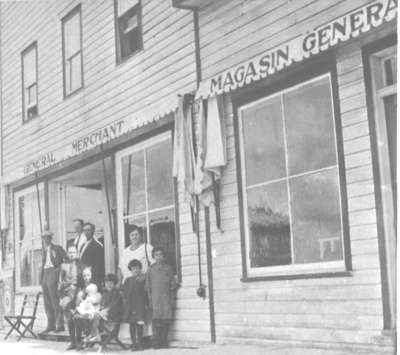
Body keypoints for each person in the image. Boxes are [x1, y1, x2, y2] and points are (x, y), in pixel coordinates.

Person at [145, 247, 177, 349]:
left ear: (164, 256)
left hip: (166, 297)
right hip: (155, 298)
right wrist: (150, 298)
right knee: (156, 320)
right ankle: (157, 342)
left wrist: (172, 298)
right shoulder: (151, 269)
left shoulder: (168, 268)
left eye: (160, 255)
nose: (159, 257)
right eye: (156, 255)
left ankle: (164, 341)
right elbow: (148, 286)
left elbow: (173, 284)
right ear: (153, 257)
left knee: (165, 319)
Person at [40, 230, 67, 334]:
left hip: (54, 272)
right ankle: (50, 325)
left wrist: (59, 272)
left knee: (55, 301)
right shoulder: (43, 250)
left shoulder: (57, 248)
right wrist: (41, 279)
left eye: (47, 237)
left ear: (51, 238)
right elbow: (42, 265)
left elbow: (66, 259)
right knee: (47, 302)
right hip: (45, 274)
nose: (45, 240)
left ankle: (59, 325)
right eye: (43, 238)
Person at [85, 273, 122, 342]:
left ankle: (94, 335)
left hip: (113, 315)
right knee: (88, 316)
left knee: (95, 316)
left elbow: (113, 305)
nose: (109, 285)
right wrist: (97, 309)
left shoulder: (116, 293)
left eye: (111, 283)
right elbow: (102, 304)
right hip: (105, 314)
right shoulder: (105, 293)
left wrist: (103, 311)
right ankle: (93, 334)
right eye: (107, 283)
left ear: (114, 284)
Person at [122, 259, 147, 350]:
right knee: (132, 324)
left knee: (139, 324)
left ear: (140, 269)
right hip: (130, 306)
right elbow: (124, 292)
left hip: (140, 305)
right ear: (130, 270)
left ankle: (140, 343)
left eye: (137, 268)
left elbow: (146, 292)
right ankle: (134, 343)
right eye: (133, 268)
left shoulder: (143, 279)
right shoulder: (128, 280)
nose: (135, 270)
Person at [66, 266, 93, 350]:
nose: (86, 278)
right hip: (78, 309)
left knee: (77, 318)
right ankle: (73, 342)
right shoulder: (80, 287)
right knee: (70, 319)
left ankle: (79, 342)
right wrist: (72, 308)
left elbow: (92, 301)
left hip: (88, 310)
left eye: (88, 275)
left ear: (91, 275)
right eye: (84, 276)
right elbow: (74, 299)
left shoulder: (93, 286)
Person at [58, 244, 84, 312]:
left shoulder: (81, 265)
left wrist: (77, 288)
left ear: (77, 253)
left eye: (74, 252)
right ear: (67, 254)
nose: (72, 254)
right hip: (66, 292)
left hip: (78, 291)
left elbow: (83, 281)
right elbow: (60, 282)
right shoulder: (63, 266)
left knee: (77, 308)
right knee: (64, 305)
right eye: (70, 252)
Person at [80, 222, 105, 287]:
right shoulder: (83, 245)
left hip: (92, 278)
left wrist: (92, 279)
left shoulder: (97, 246)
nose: (86, 232)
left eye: (88, 230)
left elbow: (98, 265)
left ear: (93, 231)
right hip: (84, 277)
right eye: (84, 230)